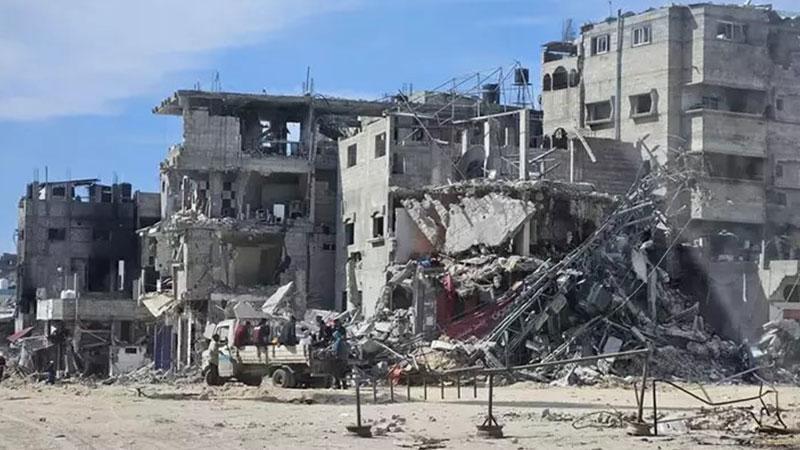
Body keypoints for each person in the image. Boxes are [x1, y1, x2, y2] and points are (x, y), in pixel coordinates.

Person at [331, 325, 349, 389]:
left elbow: (335, 350)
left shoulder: (337, 342)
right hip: (344, 359)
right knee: (343, 373)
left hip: (338, 359)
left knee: (336, 373)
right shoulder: (344, 342)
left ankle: (337, 385)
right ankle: (344, 385)